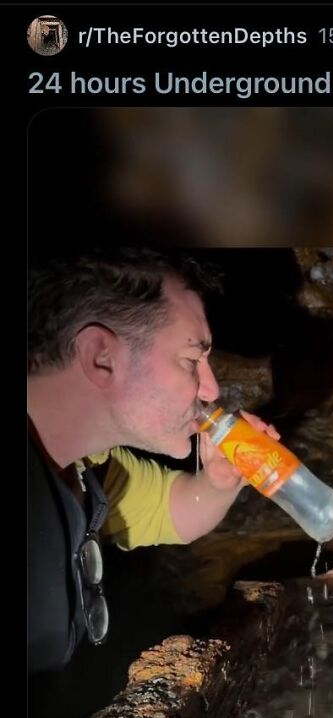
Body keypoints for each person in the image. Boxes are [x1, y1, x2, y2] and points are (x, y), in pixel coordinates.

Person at [27, 248, 280, 685]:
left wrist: (220, 479)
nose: (211, 388)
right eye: (191, 360)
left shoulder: (89, 465)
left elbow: (170, 508)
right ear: (101, 356)